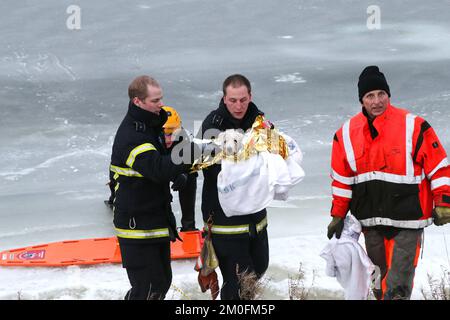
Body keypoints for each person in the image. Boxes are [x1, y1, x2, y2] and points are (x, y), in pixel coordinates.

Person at [327, 66, 450, 300]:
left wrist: (443, 201)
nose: (376, 101)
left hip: (408, 223)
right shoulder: (344, 135)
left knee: (397, 287)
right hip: (370, 225)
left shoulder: (414, 126)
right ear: (361, 100)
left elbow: (439, 167)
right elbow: (342, 180)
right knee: (377, 286)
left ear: (389, 95)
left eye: (381, 94)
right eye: (370, 96)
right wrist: (338, 215)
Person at [109, 75, 193, 300]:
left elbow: (165, 157)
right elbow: (157, 168)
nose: (160, 105)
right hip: (135, 225)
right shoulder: (132, 135)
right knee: (146, 291)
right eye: (155, 101)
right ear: (138, 101)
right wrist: (190, 154)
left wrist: (182, 173)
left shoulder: (152, 124)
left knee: (161, 283)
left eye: (161, 99)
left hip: (156, 219)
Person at [198, 74, 269, 300]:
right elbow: (204, 167)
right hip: (224, 220)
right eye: (232, 100)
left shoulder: (260, 121)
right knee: (239, 280)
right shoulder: (211, 125)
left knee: (258, 269)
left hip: (256, 218)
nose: (238, 106)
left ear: (250, 97)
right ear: (224, 99)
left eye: (242, 100)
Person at [162, 106, 198, 231]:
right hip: (156, 167)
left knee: (191, 177)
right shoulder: (148, 139)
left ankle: (189, 224)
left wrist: (185, 175)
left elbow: (193, 165)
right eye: (163, 134)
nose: (167, 139)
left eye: (171, 134)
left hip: (174, 165)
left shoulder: (187, 139)